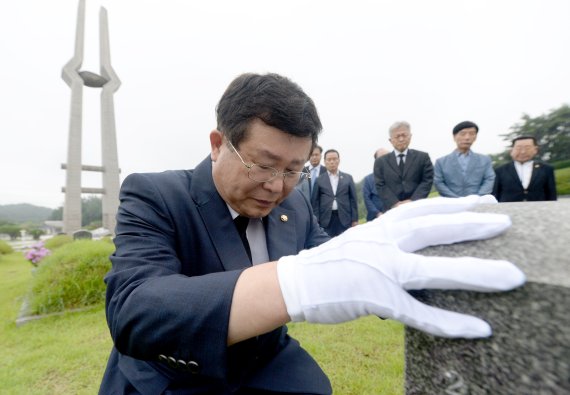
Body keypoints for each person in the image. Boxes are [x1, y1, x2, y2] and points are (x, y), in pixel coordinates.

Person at [100, 73, 525, 395]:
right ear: (217, 143)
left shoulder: (295, 202)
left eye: (293, 169)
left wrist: (410, 259)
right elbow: (134, 309)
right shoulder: (155, 193)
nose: (276, 186)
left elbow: (338, 258)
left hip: (264, 359)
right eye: (263, 165)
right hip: (173, 373)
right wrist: (295, 284)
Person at [373, 121, 434, 211]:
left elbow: (427, 180)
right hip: (392, 209)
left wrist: (413, 200)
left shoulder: (423, 157)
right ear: (390, 140)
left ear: (410, 136)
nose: (401, 139)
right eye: (397, 136)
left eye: (404, 135)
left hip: (418, 206)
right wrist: (395, 203)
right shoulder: (380, 162)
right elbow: (380, 185)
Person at [434, 121, 496, 197]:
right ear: (454, 137)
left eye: (472, 134)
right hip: (450, 203)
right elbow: (438, 182)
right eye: (463, 134)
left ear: (475, 137)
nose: (467, 137)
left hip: (478, 202)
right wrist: (456, 199)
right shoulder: (441, 162)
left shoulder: (485, 160)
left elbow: (489, 179)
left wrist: (477, 198)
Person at [493, 136, 557, 202]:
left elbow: (551, 194)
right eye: (518, 148)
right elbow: (495, 194)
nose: (523, 152)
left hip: (538, 208)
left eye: (527, 148)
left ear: (535, 150)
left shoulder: (546, 169)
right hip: (508, 209)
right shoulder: (500, 170)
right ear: (511, 151)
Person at [311, 149, 358, 236]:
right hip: (326, 220)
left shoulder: (348, 178)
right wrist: (316, 221)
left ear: (339, 160)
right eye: (329, 160)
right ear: (325, 162)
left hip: (345, 219)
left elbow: (353, 200)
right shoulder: (319, 180)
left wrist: (354, 220)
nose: (332, 162)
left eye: (334, 159)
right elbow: (315, 202)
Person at [362, 148, 390, 221]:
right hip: (375, 218)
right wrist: (378, 213)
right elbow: (367, 199)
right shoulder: (368, 179)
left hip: (393, 216)